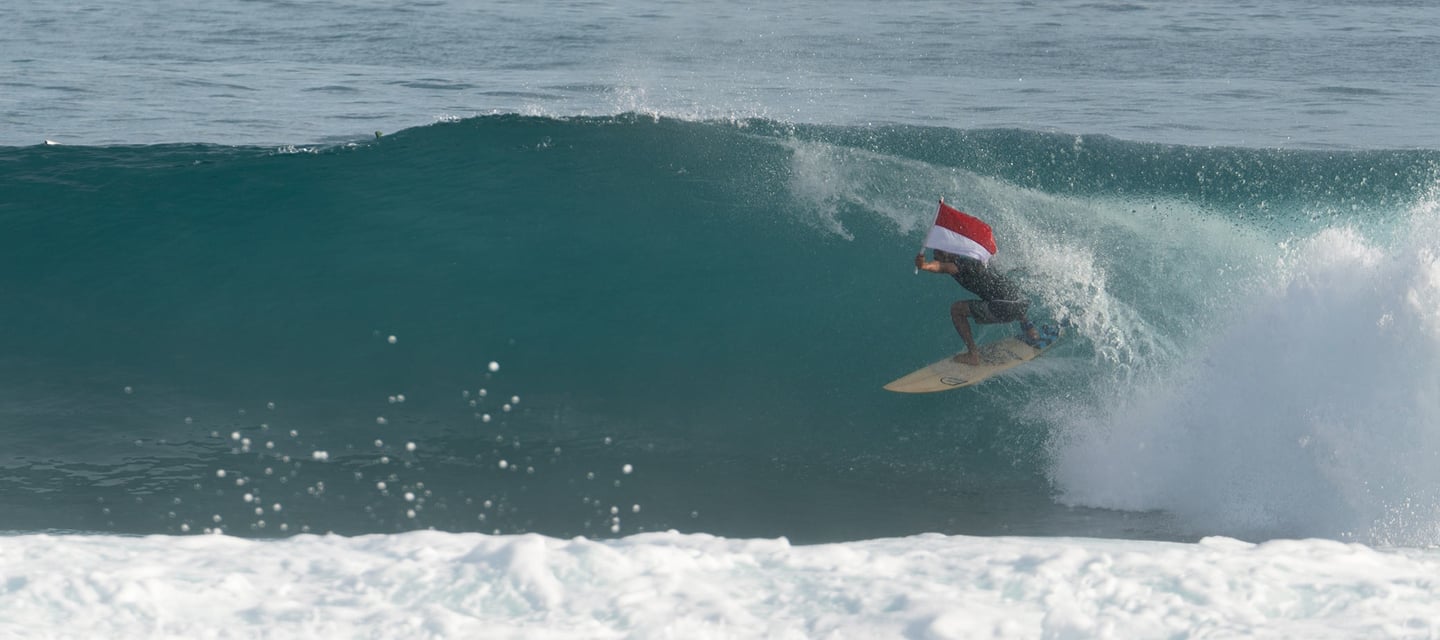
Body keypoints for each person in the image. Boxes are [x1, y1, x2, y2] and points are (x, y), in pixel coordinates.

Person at [913, 201, 1039, 365]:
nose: (936, 253)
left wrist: (924, 265)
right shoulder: (980, 259)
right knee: (1003, 289)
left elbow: (942, 267)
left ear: (950, 254)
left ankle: (973, 355)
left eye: (939, 251)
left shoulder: (957, 265)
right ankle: (1031, 330)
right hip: (1022, 303)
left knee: (956, 310)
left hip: (1004, 308)